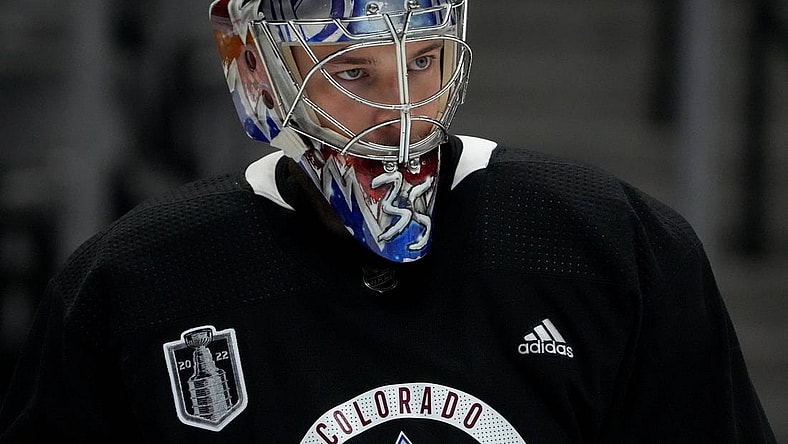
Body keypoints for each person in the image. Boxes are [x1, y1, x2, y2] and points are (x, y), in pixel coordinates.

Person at [0, 0, 777, 442]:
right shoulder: (137, 283)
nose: (399, 115)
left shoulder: (612, 246)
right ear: (251, 69)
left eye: (422, 61)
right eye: (350, 72)